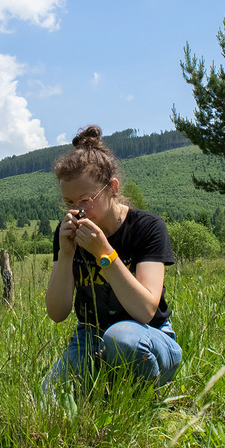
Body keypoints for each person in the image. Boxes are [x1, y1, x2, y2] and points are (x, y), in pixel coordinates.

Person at [43, 125, 182, 390]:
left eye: (85, 200)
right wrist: (66, 254)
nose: (77, 211)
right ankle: (107, 387)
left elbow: (145, 311)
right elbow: (57, 313)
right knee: (47, 400)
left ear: (113, 188)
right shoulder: (68, 234)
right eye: (68, 202)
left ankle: (145, 398)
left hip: (147, 336)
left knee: (121, 338)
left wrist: (104, 254)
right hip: (89, 336)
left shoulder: (147, 227)